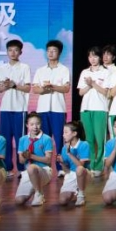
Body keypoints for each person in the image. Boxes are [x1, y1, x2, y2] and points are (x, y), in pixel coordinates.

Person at [32, 38, 71, 174]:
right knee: (44, 139)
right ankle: (45, 167)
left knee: (59, 138)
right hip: (42, 109)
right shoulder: (40, 70)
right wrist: (45, 89)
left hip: (58, 109)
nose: (50, 53)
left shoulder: (64, 70)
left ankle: (60, 168)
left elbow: (66, 88)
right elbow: (35, 89)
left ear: (59, 53)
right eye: (48, 51)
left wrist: (53, 87)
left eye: (54, 51)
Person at [0, 38, 31, 176]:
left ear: (20, 52)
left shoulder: (24, 67)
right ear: (7, 52)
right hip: (5, 108)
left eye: (16, 50)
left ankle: (22, 168)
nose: (12, 53)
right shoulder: (2, 68)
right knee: (5, 139)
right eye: (10, 50)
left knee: (20, 139)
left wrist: (14, 85)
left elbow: (28, 88)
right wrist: (5, 85)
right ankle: (7, 168)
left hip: (19, 109)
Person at [77, 46, 109, 177]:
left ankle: (99, 166)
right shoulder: (84, 72)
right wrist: (89, 85)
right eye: (90, 56)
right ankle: (90, 165)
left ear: (100, 57)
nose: (92, 59)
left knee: (100, 139)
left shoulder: (105, 72)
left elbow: (106, 92)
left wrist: (93, 84)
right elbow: (81, 92)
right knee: (88, 139)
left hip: (100, 109)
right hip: (85, 109)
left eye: (95, 56)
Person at [15, 112, 54, 207]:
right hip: (28, 172)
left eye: (37, 124)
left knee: (32, 167)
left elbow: (48, 160)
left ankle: (39, 193)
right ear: (27, 125)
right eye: (32, 124)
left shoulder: (47, 139)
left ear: (41, 124)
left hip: (44, 171)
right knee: (19, 201)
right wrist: (24, 156)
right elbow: (21, 161)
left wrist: (31, 156)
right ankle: (36, 188)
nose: (35, 127)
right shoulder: (22, 139)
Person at [57, 120, 90, 207]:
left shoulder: (84, 144)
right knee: (62, 201)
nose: (63, 135)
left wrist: (69, 153)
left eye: (66, 132)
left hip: (84, 173)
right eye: (63, 132)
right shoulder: (64, 147)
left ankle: (81, 194)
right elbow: (66, 171)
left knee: (79, 169)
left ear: (74, 133)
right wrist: (62, 162)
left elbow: (81, 166)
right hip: (71, 174)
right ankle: (75, 190)